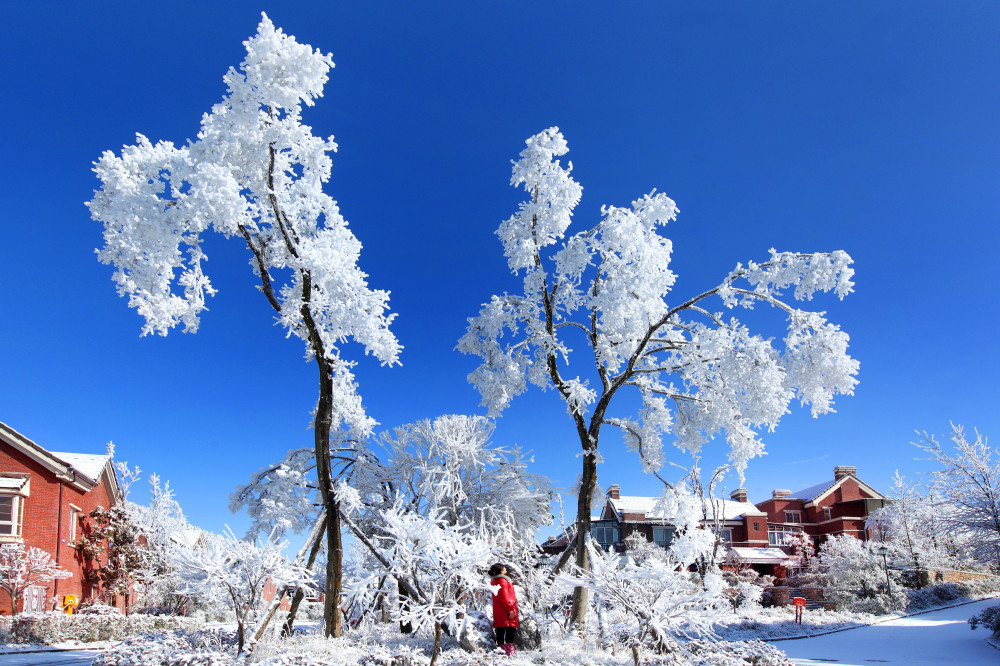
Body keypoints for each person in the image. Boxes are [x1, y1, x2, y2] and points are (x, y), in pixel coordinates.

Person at [489, 562, 519, 657]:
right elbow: (504, 596)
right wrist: (510, 609)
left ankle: (501, 653)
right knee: (510, 630)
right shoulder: (502, 581)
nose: (506, 569)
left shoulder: (495, 580)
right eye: (504, 568)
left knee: (500, 631)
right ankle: (510, 653)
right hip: (506, 609)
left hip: (499, 610)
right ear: (502, 571)